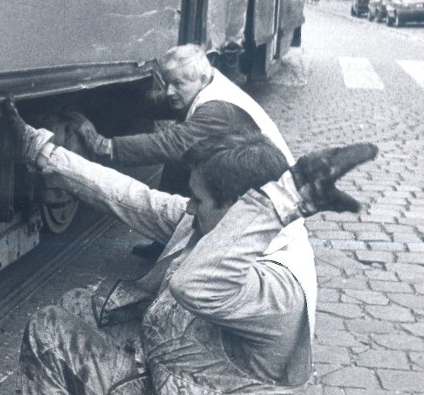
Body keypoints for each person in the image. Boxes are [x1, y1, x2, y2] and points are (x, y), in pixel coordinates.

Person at [0, 102, 377, 395]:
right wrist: (41, 151)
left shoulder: (278, 291)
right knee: (86, 308)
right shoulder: (220, 222)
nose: (187, 207)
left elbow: (194, 285)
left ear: (240, 208)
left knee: (49, 332)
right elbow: (129, 197)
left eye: (198, 199)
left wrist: (284, 198)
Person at [66, 44, 294, 259]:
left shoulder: (217, 108)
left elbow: (171, 143)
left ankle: (182, 248)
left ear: (202, 79)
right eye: (166, 83)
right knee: (179, 163)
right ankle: (165, 243)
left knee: (180, 158)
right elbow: (155, 104)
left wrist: (104, 145)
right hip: (250, 174)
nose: (169, 91)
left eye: (177, 84)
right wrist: (101, 101)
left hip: (267, 197)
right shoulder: (203, 86)